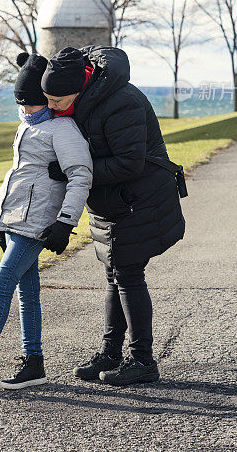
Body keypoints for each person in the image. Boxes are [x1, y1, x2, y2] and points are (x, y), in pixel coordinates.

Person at [0, 51, 93, 395]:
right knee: (27, 292)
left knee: (2, 284)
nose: (26, 111)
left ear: (48, 100)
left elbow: (81, 175)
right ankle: (33, 363)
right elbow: (20, 176)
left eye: (32, 105)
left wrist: (65, 222)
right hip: (14, 221)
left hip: (38, 223)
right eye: (21, 106)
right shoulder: (26, 125)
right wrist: (1, 221)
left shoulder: (63, 129)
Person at [41, 45, 186, 386]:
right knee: (114, 274)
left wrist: (74, 170)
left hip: (140, 198)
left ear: (80, 86)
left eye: (57, 101)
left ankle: (143, 361)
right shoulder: (81, 99)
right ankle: (110, 353)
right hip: (111, 201)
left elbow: (129, 162)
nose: (52, 108)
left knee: (128, 274)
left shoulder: (122, 101)